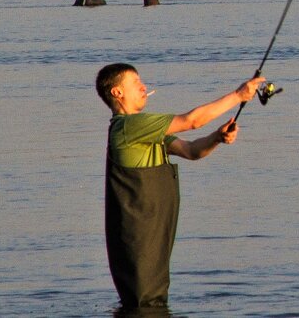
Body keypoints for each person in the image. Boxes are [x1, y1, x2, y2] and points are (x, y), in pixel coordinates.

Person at [97, 62, 266, 309]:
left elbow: (191, 150)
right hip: (139, 236)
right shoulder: (129, 126)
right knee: (145, 301)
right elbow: (192, 121)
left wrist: (217, 138)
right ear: (117, 92)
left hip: (151, 232)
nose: (144, 87)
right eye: (136, 83)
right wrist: (238, 95)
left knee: (149, 300)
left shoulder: (143, 132)